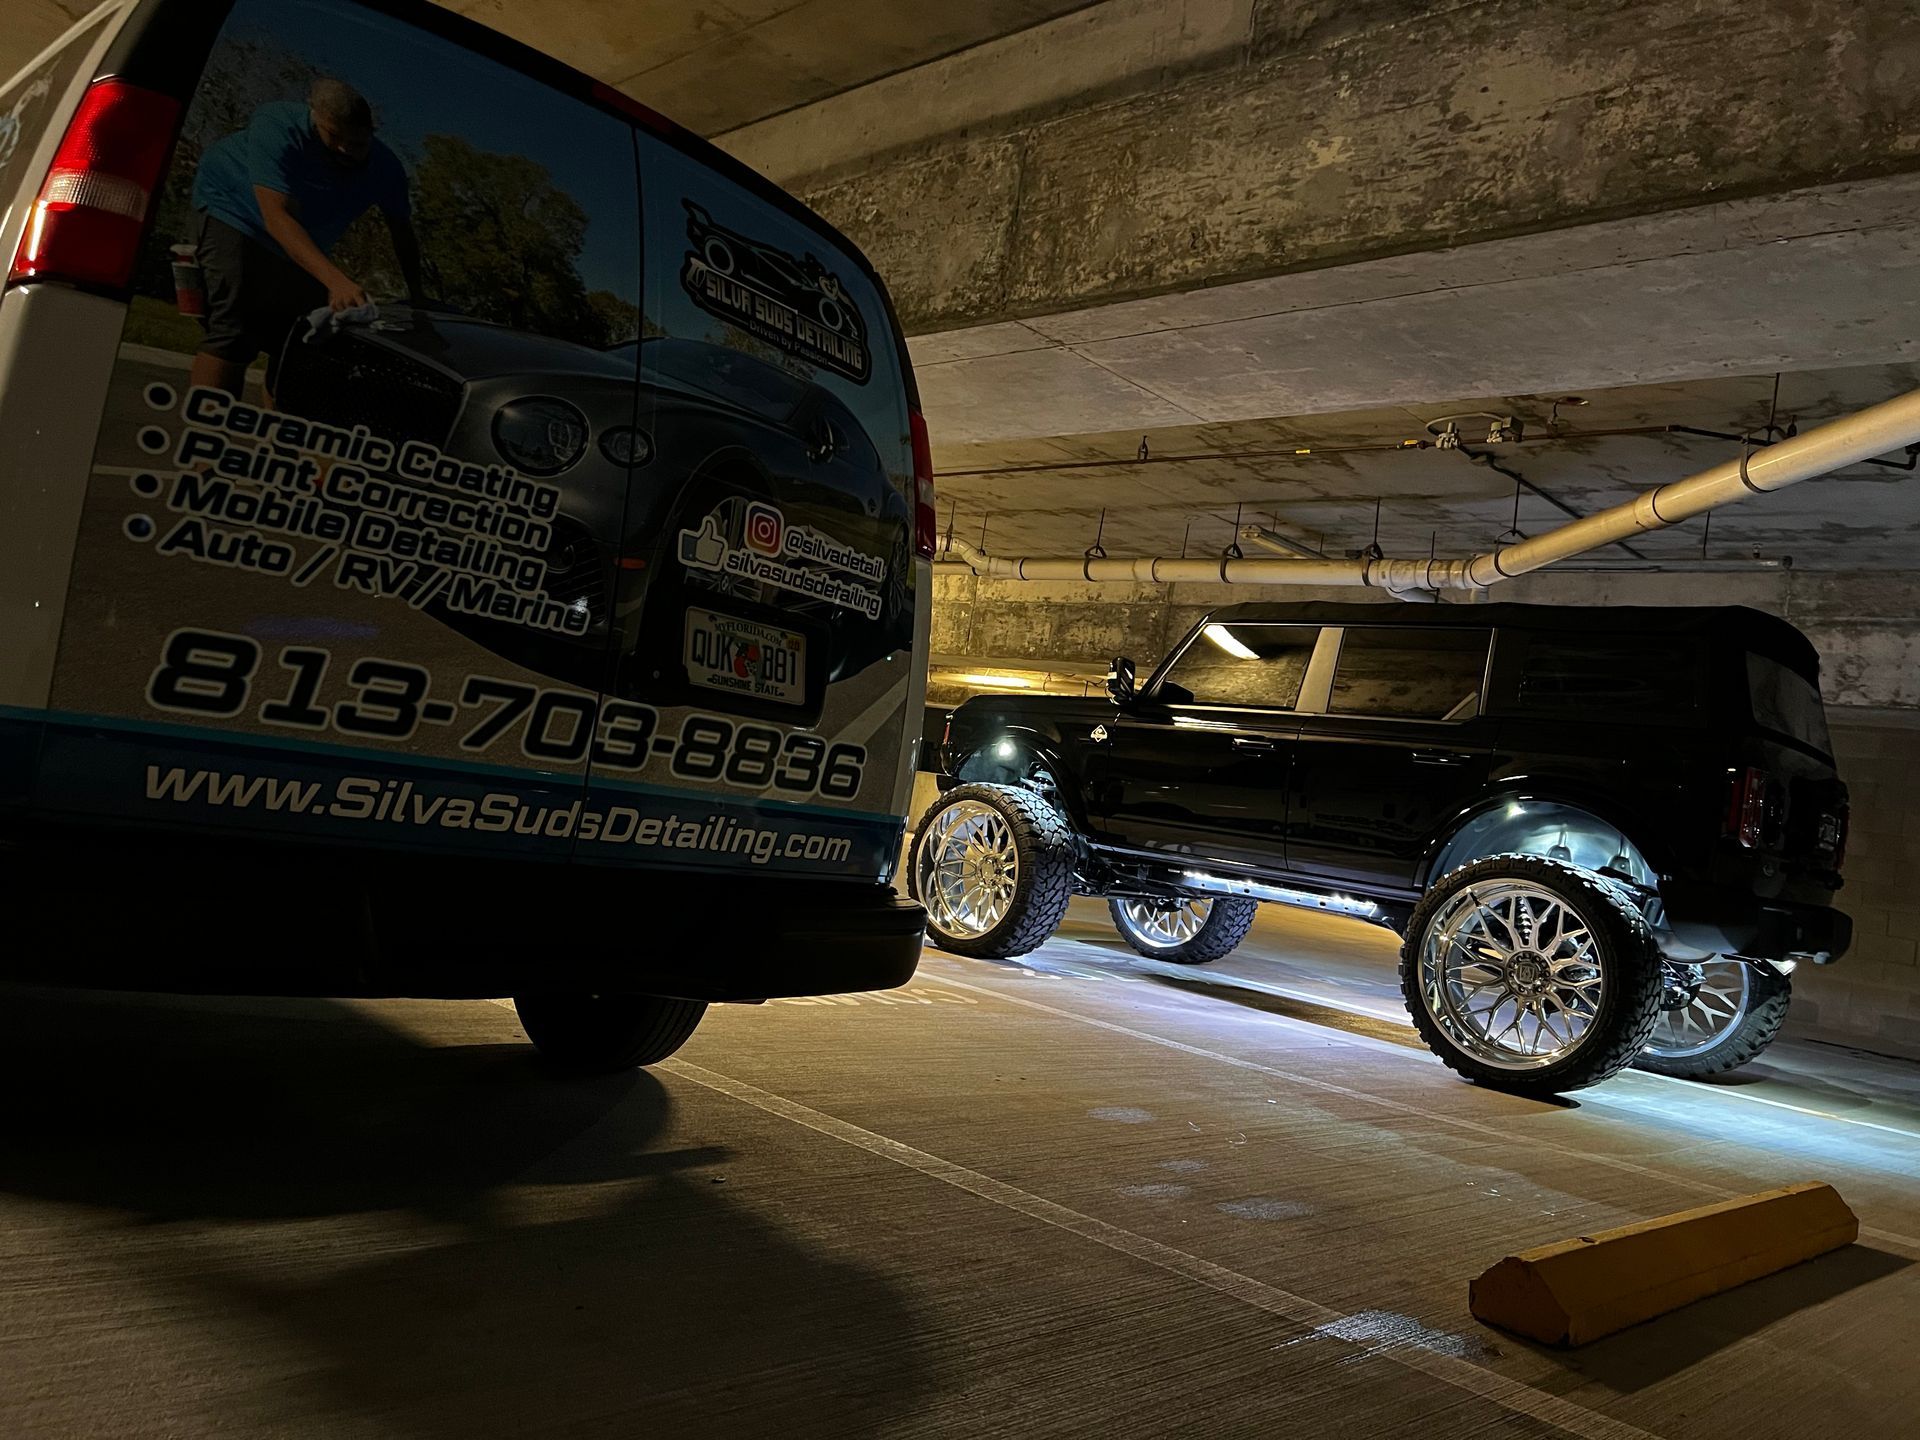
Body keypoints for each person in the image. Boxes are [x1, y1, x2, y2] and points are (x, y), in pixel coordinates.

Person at [187, 78, 424, 401]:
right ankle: (206, 439)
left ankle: (277, 443)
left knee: (300, 342)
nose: (345, 149)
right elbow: (278, 217)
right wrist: (336, 281)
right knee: (234, 330)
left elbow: (402, 234)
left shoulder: (387, 169)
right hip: (236, 212)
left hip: (303, 238)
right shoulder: (278, 126)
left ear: (371, 131)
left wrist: (418, 294)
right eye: (334, 137)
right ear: (315, 118)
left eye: (356, 143)